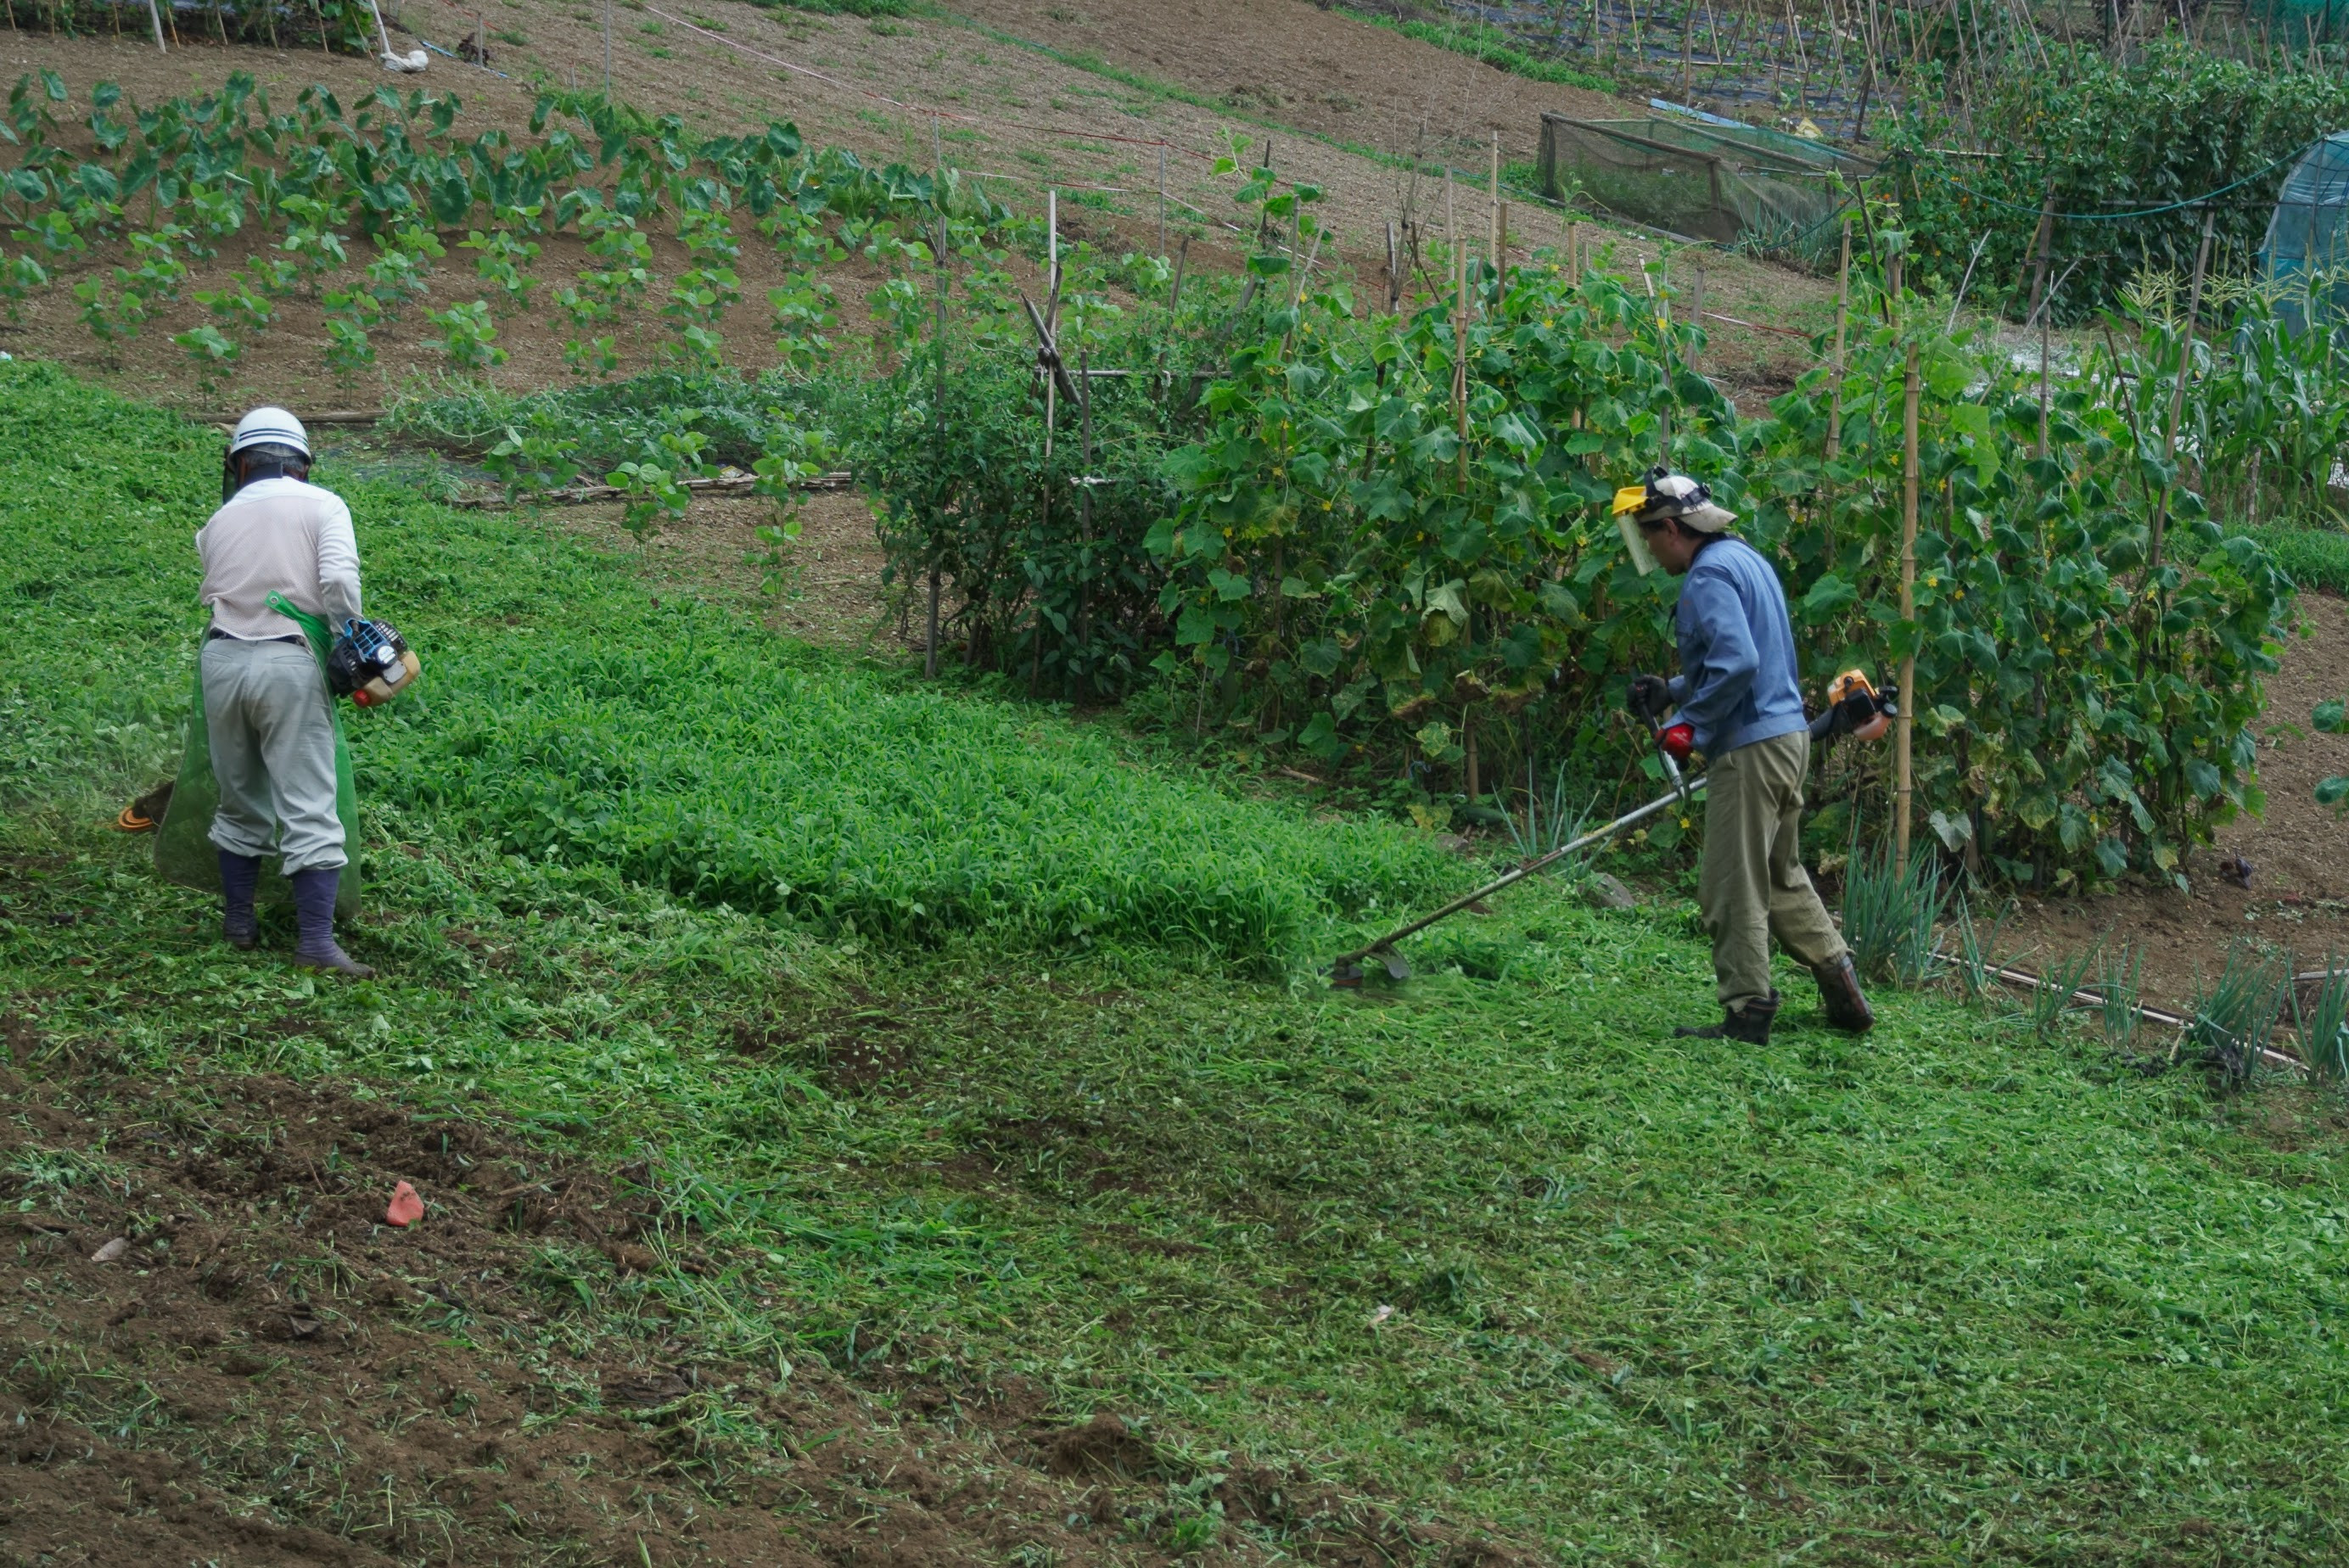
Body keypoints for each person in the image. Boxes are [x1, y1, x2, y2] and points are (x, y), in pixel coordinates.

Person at [1617, 468, 1870, 1044]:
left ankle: (1747, 1011)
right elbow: (1742, 652)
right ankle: (1840, 977)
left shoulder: (1705, 579)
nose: (1651, 553)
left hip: (1750, 749)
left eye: (1650, 537)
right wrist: (1674, 691)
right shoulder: (1744, 560)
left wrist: (1690, 726)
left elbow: (1738, 664)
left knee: (1732, 884)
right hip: (1787, 740)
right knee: (1779, 874)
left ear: (1673, 528)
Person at [195, 406, 374, 978]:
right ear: (300, 465)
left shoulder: (218, 520)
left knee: (239, 794)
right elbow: (340, 580)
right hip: (287, 661)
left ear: (241, 463)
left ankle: (239, 924)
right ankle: (316, 944)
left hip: (221, 659)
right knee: (308, 804)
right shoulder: (324, 505)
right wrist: (351, 637)